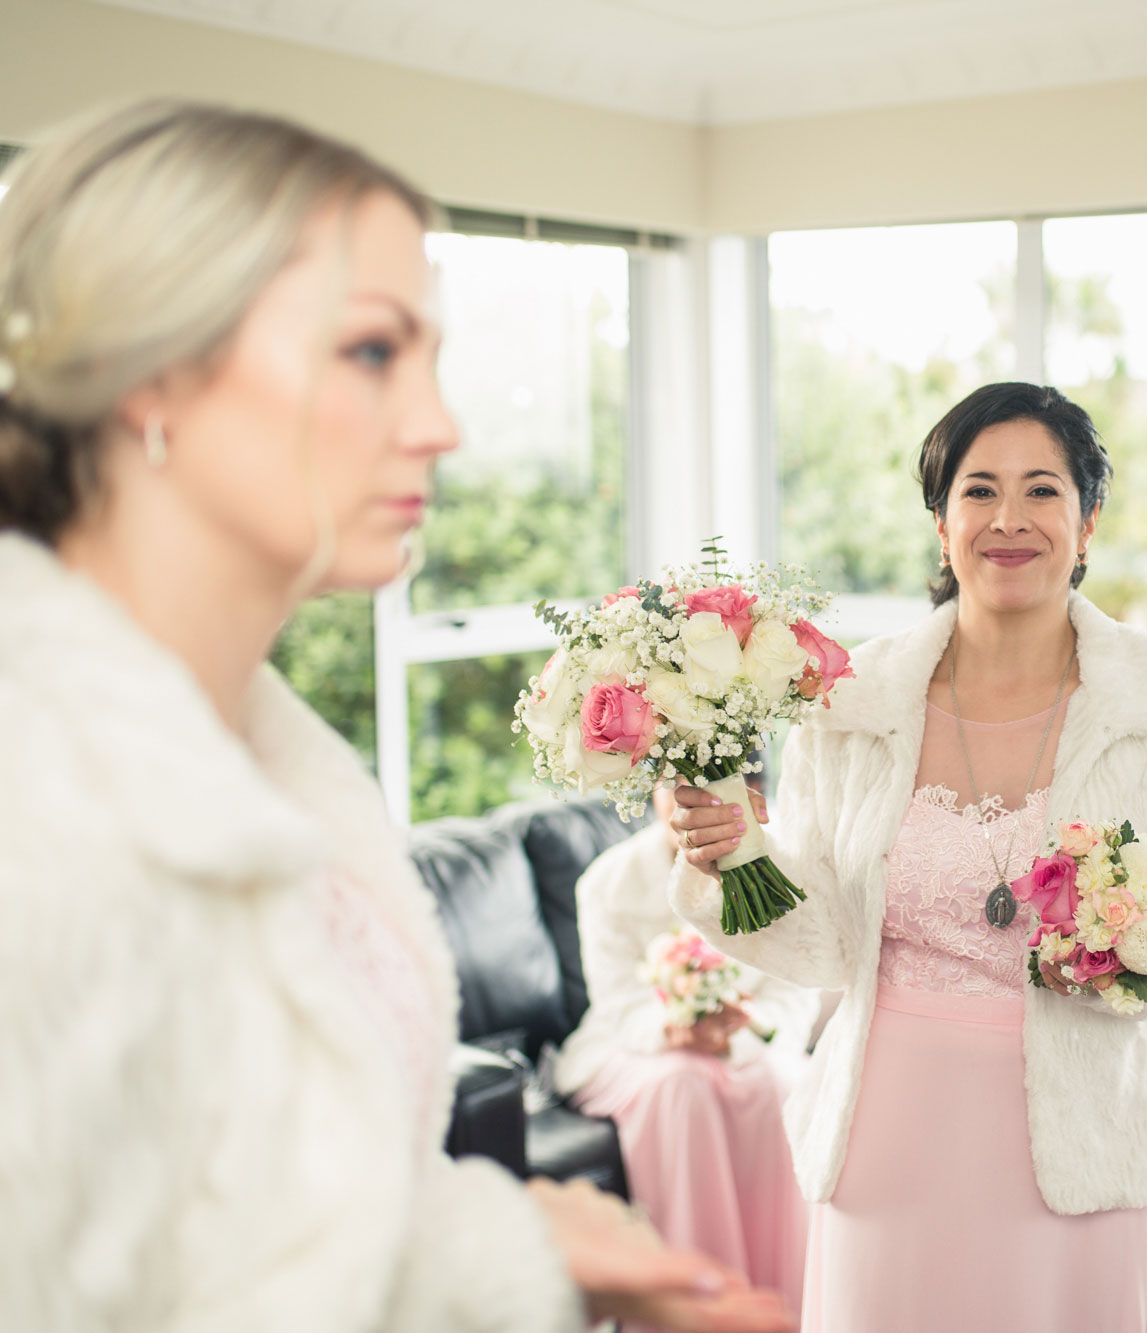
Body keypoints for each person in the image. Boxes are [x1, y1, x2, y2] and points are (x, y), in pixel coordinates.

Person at [0, 99, 790, 1333]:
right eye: (373, 351)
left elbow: (244, 1227)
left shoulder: (263, 763)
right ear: (149, 370)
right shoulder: (39, 811)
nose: (441, 424)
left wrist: (506, 1247)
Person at [665, 382, 1147, 1332]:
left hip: (1082, 1146)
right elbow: (826, 941)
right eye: (979, 491)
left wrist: (1146, 958)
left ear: (1088, 520)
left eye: (1042, 490)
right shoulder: (850, 704)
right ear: (941, 526)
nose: (1010, 519)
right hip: (888, 1138)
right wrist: (732, 860)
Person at [551, 784, 823, 1317]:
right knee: (682, 1085)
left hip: (749, 1041)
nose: (688, 804)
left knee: (779, 1086)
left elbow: (796, 988)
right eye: (673, 788)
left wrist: (745, 1027)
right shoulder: (610, 880)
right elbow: (618, 1003)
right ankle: (699, 1307)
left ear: (748, 795)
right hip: (636, 1045)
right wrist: (672, 1032)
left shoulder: (780, 868)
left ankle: (785, 1308)